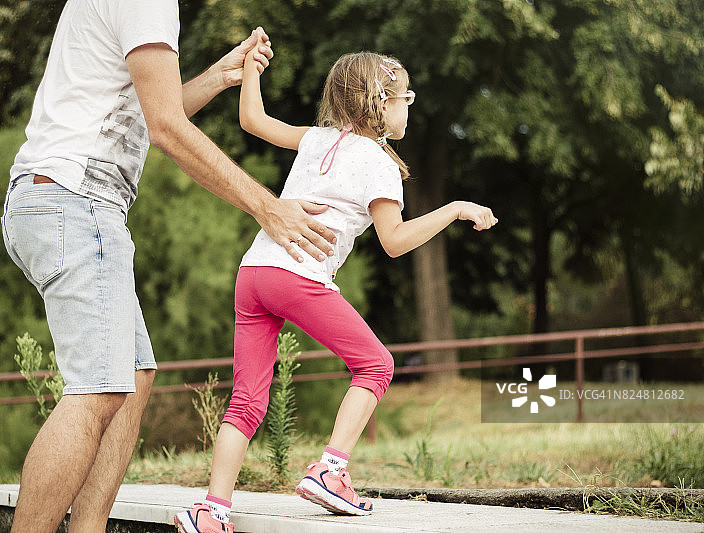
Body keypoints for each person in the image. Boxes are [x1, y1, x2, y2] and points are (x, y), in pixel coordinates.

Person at [0, 1, 337, 531]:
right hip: (75, 198)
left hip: (63, 199)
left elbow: (147, 110)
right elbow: (166, 130)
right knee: (98, 387)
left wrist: (219, 77)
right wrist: (268, 207)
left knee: (132, 378)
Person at [173, 46, 498, 533]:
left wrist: (251, 73)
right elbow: (394, 241)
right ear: (380, 103)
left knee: (246, 400)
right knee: (377, 364)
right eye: (405, 96)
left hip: (254, 272)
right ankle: (331, 468)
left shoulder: (318, 139)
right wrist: (454, 209)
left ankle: (213, 511)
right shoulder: (379, 165)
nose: (410, 104)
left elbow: (253, 120)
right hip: (297, 277)